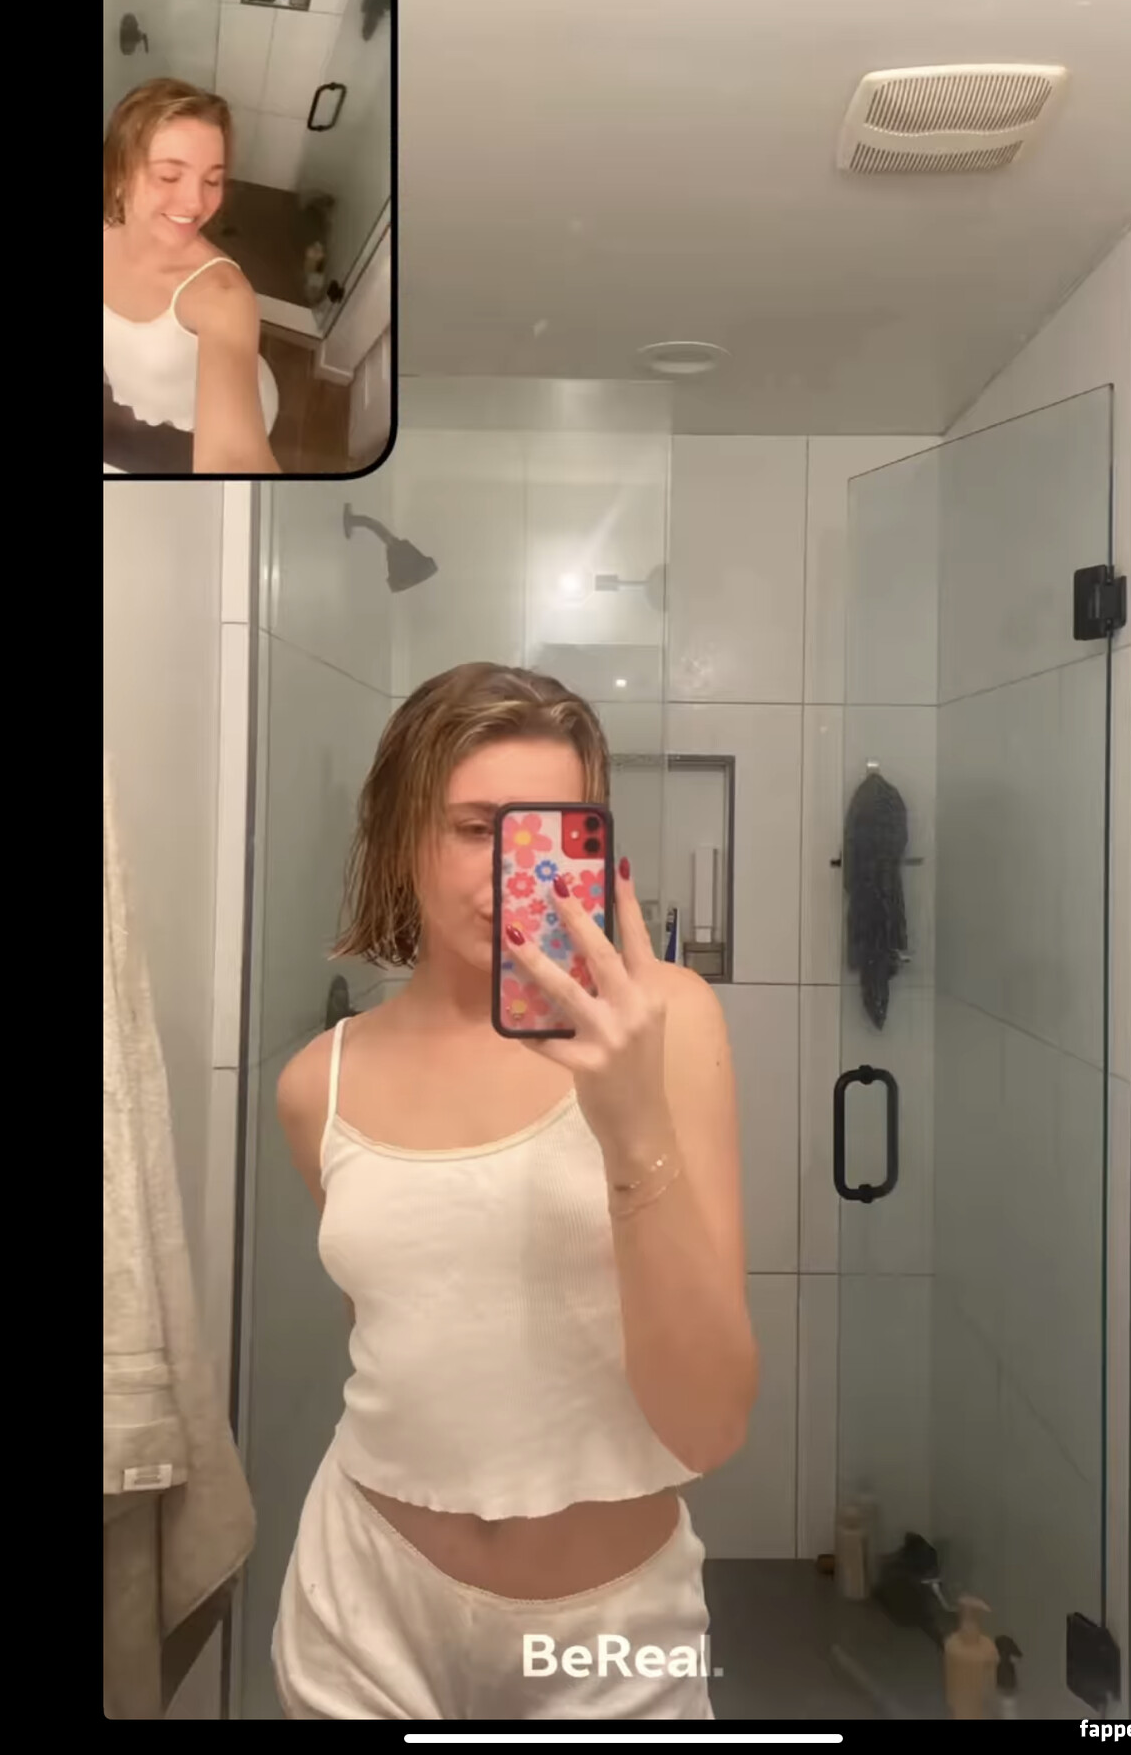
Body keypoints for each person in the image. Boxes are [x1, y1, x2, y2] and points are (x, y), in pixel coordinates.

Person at [271, 663, 757, 1721]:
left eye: (547, 831)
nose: (514, 871)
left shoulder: (666, 1023)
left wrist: (631, 1124)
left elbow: (710, 1424)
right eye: (473, 828)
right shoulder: (317, 1084)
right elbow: (406, 1341)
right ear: (400, 837)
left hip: (609, 1630)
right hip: (361, 1596)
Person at [103, 78, 280, 476]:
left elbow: (234, 457)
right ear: (119, 174)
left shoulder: (223, 296)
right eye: (169, 176)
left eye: (212, 181)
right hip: (149, 414)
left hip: (208, 417)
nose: (196, 202)